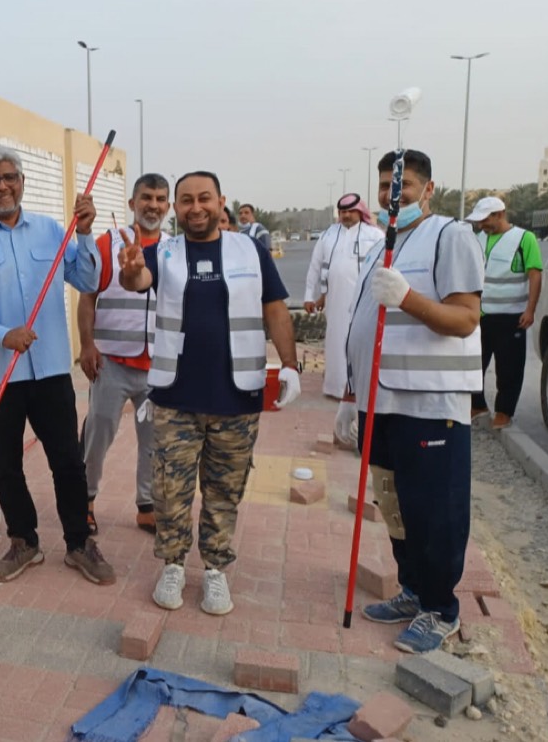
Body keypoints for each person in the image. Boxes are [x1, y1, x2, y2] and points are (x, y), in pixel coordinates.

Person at [117, 171, 300, 615]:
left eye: (204, 198)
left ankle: (215, 569)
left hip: (236, 398)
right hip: (175, 397)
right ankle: (173, 564)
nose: (195, 207)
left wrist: (290, 364)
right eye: (186, 200)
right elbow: (137, 281)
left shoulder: (250, 250)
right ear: (176, 209)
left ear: (220, 202)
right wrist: (132, 270)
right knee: (170, 491)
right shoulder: (164, 252)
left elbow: (275, 308)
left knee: (224, 491)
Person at [0, 145, 116, 586]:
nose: (2, 186)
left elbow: (87, 280)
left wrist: (84, 235)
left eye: (9, 177)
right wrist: (3, 334)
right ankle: (24, 541)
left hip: (51, 370)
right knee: (5, 465)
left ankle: (79, 543)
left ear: (22, 181)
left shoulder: (53, 230)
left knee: (68, 461)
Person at [344, 149, 484, 654]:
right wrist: (350, 394)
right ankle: (413, 589)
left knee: (434, 511)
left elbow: (466, 318)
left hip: (429, 406)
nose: (391, 195)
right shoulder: (385, 243)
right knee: (395, 506)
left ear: (428, 189)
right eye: (384, 186)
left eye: (401, 186)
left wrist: (408, 299)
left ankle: (440, 608)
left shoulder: (450, 236)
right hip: (380, 402)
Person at [78, 173, 171, 535]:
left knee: (153, 439)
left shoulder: (174, 249)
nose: (153, 205)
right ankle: (85, 500)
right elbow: (87, 298)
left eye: (160, 199)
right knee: (98, 433)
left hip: (158, 365)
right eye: (146, 197)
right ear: (132, 203)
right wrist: (87, 345)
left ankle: (146, 506)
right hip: (111, 362)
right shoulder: (108, 243)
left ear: (168, 206)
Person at [304, 193, 385, 443]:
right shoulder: (328, 235)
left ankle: (358, 390)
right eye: (342, 212)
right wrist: (311, 295)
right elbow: (315, 266)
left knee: (359, 343)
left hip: (365, 301)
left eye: (350, 211)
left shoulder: (376, 236)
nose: (346, 215)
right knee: (336, 341)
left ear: (361, 212)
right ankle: (335, 387)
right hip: (335, 300)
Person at [464, 196, 543, 430]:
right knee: (473, 364)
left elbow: (535, 274)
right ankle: (477, 405)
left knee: (509, 368)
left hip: (511, 316)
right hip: (480, 315)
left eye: (485, 220)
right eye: (479, 221)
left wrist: (530, 310)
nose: (481, 225)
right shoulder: (478, 238)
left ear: (500, 214)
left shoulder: (524, 238)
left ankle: (504, 411)